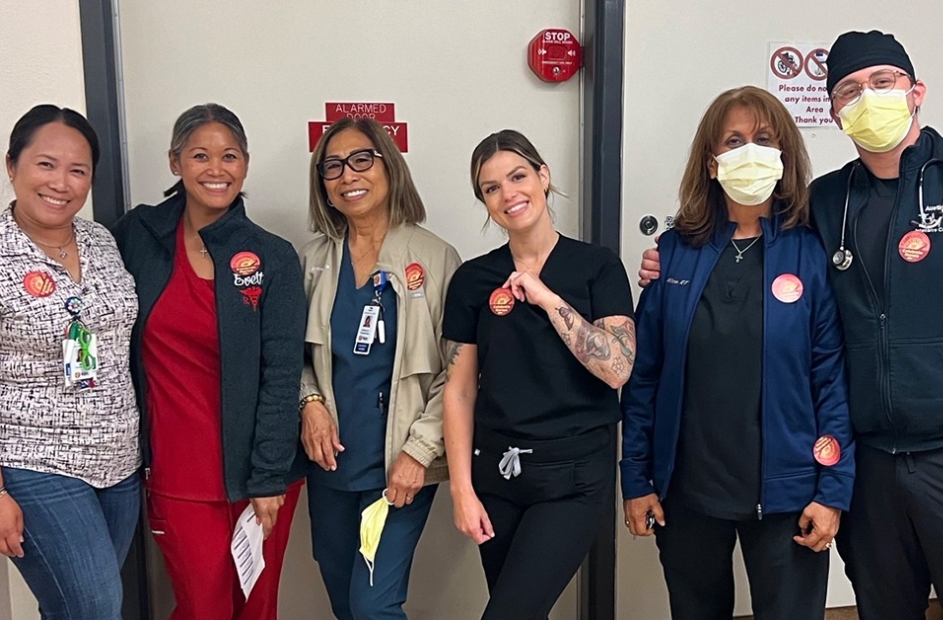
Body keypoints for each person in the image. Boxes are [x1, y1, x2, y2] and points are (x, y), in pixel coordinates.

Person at [639, 31, 943, 619]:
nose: (866, 98)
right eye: (848, 90)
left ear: (916, 91)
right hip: (870, 467)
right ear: (836, 114)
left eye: (882, 83)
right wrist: (670, 263)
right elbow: (746, 252)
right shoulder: (825, 204)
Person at [621, 86, 853, 620]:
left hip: (790, 492)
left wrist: (833, 489)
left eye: (764, 139)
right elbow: (644, 380)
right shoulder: (674, 253)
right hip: (688, 491)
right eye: (734, 140)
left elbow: (831, 380)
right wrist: (636, 478)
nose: (750, 150)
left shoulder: (810, 253)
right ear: (712, 160)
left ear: (784, 156)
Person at [111, 103, 306, 620]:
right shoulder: (138, 237)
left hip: (262, 472)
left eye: (229, 156)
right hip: (178, 471)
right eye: (200, 155)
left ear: (245, 164)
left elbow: (282, 372)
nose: (215, 169)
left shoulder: (272, 256)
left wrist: (267, 478)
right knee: (205, 608)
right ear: (175, 162)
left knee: (256, 607)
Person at [442, 129, 635, 620]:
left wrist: (546, 298)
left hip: (572, 478)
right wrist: (462, 490)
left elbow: (617, 368)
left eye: (518, 176)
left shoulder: (597, 267)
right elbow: (460, 390)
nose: (508, 194)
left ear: (543, 178)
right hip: (497, 476)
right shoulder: (472, 280)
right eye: (491, 188)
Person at [0, 105, 141, 619]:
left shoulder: (102, 242)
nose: (61, 182)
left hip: (118, 464)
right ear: (11, 165)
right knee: (96, 607)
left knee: (75, 610)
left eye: (78, 170)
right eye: (46, 164)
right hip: (33, 462)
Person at [299, 117, 460, 620]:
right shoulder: (312, 261)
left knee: (373, 606)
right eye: (333, 166)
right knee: (346, 601)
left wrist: (420, 451)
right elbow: (287, 357)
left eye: (361, 159)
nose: (348, 175)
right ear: (322, 184)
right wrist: (309, 403)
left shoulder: (436, 259)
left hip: (398, 465)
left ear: (389, 167)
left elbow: (458, 372)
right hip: (330, 464)